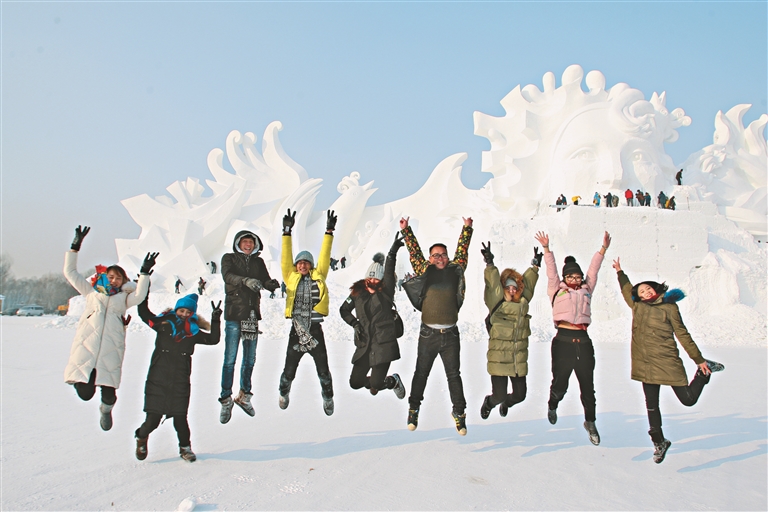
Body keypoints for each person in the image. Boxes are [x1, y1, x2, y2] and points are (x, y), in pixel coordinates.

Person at [611, 257, 724, 463]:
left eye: (648, 289)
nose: (645, 292)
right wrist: (620, 272)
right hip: (645, 363)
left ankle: (704, 372)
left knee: (688, 399)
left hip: (667, 360)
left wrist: (697, 359)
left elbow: (682, 334)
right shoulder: (638, 307)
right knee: (651, 406)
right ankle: (659, 442)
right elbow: (627, 289)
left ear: (656, 289)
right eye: (641, 291)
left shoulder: (669, 307)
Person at [63, 225, 156, 431]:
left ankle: (106, 410)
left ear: (123, 281)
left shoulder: (123, 298)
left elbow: (139, 296)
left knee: (108, 393)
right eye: (111, 276)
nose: (114, 280)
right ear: (105, 277)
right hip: (87, 346)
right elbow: (70, 272)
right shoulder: (91, 293)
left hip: (110, 348)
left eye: (118, 277)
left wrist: (144, 273)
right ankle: (84, 384)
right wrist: (75, 246)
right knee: (85, 394)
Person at [533, 230, 611, 446]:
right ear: (566, 278)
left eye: (577, 276)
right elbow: (551, 271)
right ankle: (553, 403)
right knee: (561, 382)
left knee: (588, 386)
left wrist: (602, 249)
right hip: (563, 341)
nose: (575, 279)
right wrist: (547, 249)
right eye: (571, 277)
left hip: (583, 341)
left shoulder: (587, 289)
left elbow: (593, 271)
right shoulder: (556, 289)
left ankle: (591, 422)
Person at [400, 215, 473, 435]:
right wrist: (406, 230)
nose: (439, 258)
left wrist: (467, 228)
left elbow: (463, 249)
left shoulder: (455, 269)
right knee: (421, 373)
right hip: (428, 334)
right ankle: (414, 409)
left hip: (450, 335)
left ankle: (459, 414)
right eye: (435, 255)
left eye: (442, 254)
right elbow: (414, 252)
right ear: (430, 259)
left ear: (448, 257)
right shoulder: (425, 270)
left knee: (454, 375)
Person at [134, 293, 222, 463]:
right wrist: (144, 290)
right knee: (153, 419)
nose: (184, 315)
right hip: (158, 378)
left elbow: (213, 339)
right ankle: (141, 437)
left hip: (180, 379)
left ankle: (185, 448)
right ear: (176, 310)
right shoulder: (163, 324)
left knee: (180, 417)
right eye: (182, 310)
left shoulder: (193, 332)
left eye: (188, 312)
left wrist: (216, 319)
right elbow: (144, 313)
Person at [279, 209, 337, 416]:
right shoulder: (290, 277)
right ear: (296, 266)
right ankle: (283, 392)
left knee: (323, 369)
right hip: (296, 329)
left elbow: (325, 255)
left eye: (306, 262)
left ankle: (328, 397)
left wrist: (329, 231)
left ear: (311, 265)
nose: (302, 265)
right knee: (289, 369)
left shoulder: (318, 275)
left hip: (315, 329)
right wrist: (287, 232)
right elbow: (285, 259)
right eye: (299, 262)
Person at [218, 230, 280, 422]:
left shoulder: (258, 262)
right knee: (230, 359)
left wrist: (270, 284)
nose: (248, 245)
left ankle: (244, 395)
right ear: (238, 243)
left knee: (250, 358)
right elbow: (228, 276)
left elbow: (263, 280)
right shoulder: (228, 258)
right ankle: (226, 398)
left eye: (251, 242)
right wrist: (245, 280)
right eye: (245, 242)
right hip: (234, 314)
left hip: (251, 315)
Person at [339, 238, 407, 399]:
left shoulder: (386, 293)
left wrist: (393, 251)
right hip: (364, 344)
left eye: (376, 279)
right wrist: (354, 324)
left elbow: (389, 271)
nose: (372, 282)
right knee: (355, 383)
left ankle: (392, 381)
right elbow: (344, 310)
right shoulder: (357, 293)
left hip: (383, 344)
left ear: (382, 280)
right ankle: (380, 381)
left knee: (376, 384)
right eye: (369, 279)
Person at [479, 243, 540, 420]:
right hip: (499, 355)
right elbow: (492, 285)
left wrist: (534, 267)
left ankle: (506, 404)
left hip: (517, 356)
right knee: (498, 395)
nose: (512, 290)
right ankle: (490, 403)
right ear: (503, 288)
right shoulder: (496, 302)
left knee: (520, 395)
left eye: (515, 287)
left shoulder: (522, 303)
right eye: (508, 287)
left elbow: (528, 285)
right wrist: (490, 264)